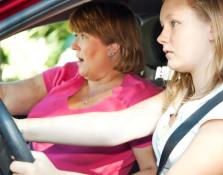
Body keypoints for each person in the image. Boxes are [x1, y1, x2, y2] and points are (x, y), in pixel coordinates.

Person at [10, 0, 223, 174]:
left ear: (213, 28)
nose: (160, 37)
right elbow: (115, 126)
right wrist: (18, 128)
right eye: (162, 26)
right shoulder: (182, 93)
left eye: (174, 23)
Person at [1, 1, 162, 175]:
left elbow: (150, 170)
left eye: (83, 36)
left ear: (112, 47)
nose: (73, 45)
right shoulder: (69, 73)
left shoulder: (143, 99)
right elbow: (9, 95)